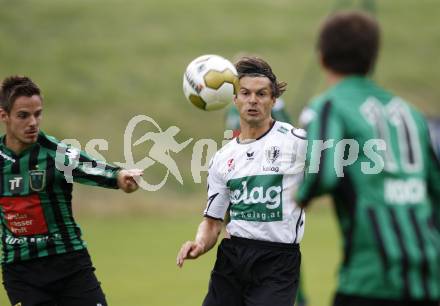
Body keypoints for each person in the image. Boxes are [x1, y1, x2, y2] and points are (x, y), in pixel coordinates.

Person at [297, 11, 440, 306]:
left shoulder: (329, 106)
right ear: (373, 58)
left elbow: (322, 173)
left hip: (370, 277)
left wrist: (300, 195)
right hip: (428, 276)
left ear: (322, 58)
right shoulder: (410, 113)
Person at [0, 75, 143, 306]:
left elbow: (91, 168)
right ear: (3, 116)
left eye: (38, 114)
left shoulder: (55, 153)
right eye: (23, 115)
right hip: (22, 272)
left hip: (69, 265)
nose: (33, 122)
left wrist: (119, 176)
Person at [177, 56, 307, 306]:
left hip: (277, 263)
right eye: (245, 93)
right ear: (233, 98)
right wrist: (200, 244)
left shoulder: (298, 142)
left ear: (273, 99)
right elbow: (213, 221)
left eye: (261, 94)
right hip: (232, 259)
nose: (253, 100)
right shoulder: (222, 158)